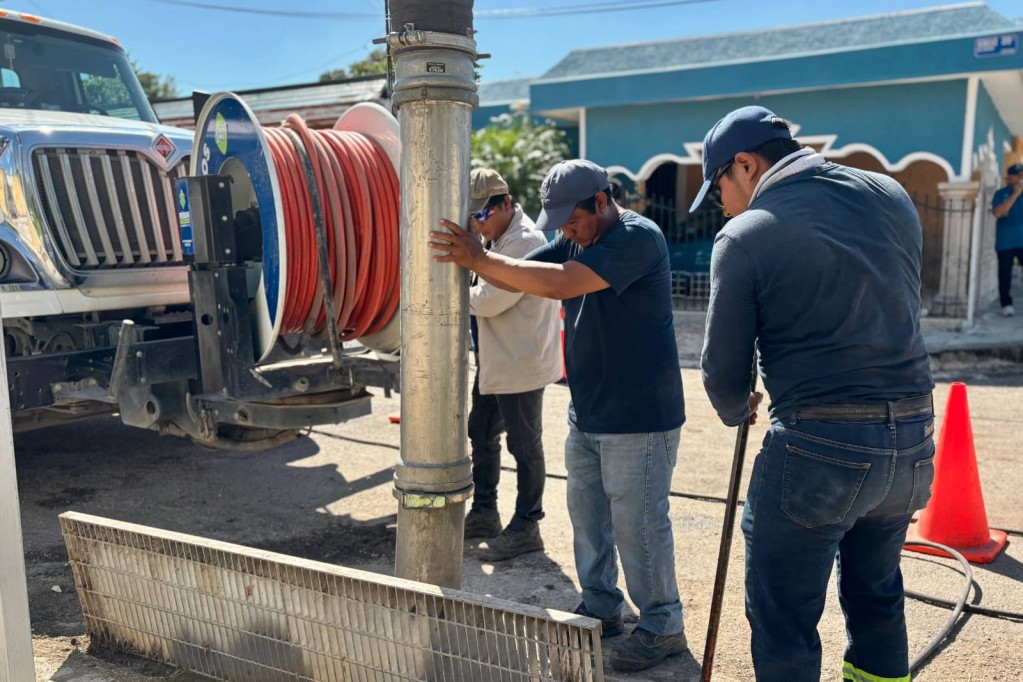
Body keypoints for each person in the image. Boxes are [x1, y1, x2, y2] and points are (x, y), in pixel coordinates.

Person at [695, 105, 935, 682]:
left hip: (820, 449)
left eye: (721, 187)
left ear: (746, 165)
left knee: (785, 619)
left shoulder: (746, 234)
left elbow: (722, 371)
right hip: (913, 438)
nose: (722, 206)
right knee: (878, 594)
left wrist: (736, 408)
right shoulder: (891, 194)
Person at [429, 160, 687, 673]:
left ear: (601, 201)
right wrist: (477, 260)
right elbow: (528, 272)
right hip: (589, 409)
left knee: (638, 525)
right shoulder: (577, 238)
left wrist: (479, 257)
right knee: (588, 518)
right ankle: (601, 605)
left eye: (573, 221)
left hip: (640, 416)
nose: (566, 232)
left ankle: (662, 624)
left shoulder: (636, 238)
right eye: (561, 224)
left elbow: (559, 284)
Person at [462, 168, 562, 562]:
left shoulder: (524, 243)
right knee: (481, 431)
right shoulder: (496, 239)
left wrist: (457, 280)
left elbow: (487, 300)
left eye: (483, 215)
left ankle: (526, 526)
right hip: (497, 359)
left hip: (521, 362)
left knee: (524, 445)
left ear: (506, 203)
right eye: (472, 218)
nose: (477, 225)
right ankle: (485, 511)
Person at [991, 162, 1023, 317]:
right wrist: (1015, 194)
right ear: (1009, 177)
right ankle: (1006, 304)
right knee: (1004, 273)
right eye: (1017, 175)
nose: (1020, 178)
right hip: (1005, 242)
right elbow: (998, 213)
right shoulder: (1000, 194)